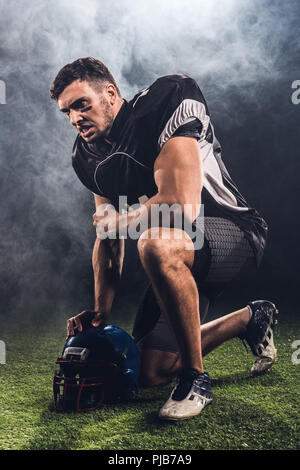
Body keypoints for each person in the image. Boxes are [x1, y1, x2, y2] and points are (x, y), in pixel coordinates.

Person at [50, 57, 278, 421]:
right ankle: (249, 318)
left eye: (82, 105)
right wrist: (99, 316)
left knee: (154, 242)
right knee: (150, 370)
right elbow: (107, 239)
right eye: (67, 112)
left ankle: (196, 379)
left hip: (229, 230)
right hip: (178, 252)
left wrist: (119, 221)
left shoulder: (165, 100)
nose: (75, 118)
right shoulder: (87, 156)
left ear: (110, 94)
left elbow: (182, 206)